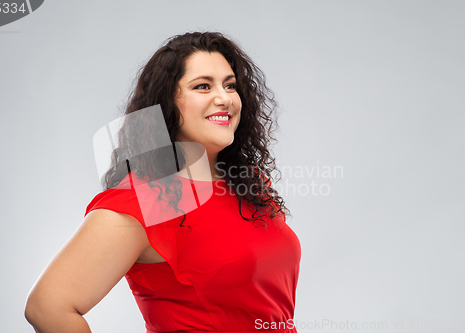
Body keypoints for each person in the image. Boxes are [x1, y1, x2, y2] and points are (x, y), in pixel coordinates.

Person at [25, 31, 301, 333]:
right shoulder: (146, 199)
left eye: (230, 85)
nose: (224, 98)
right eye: (203, 86)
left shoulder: (247, 184)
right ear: (167, 102)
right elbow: (47, 306)